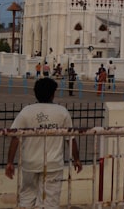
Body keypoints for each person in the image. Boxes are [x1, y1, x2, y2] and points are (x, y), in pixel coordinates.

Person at [5, 78, 82, 208]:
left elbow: (15, 138)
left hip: (30, 162)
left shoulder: (26, 112)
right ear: (53, 94)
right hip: (52, 164)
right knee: (49, 201)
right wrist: (77, 159)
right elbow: (71, 139)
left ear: (35, 93)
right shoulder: (62, 112)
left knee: (27, 197)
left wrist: (9, 162)